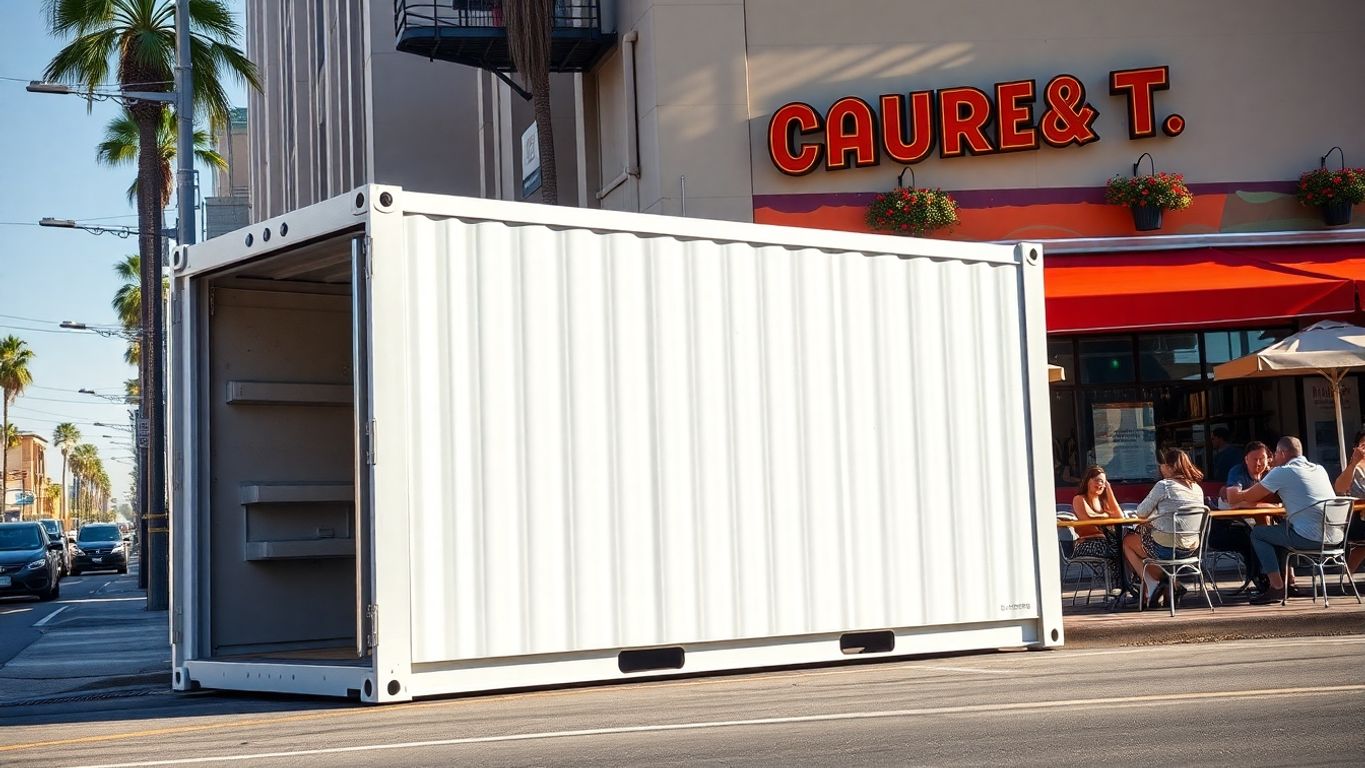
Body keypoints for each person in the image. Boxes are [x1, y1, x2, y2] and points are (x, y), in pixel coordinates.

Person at [1227, 436, 1337, 604]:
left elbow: (1249, 496)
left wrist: (1236, 496)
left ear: (1283, 453)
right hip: (1336, 537)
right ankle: (1289, 582)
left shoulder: (1282, 472)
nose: (1273, 459)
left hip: (1309, 537)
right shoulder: (1319, 469)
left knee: (1258, 534)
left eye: (1275, 454)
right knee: (1280, 531)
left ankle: (1277, 588)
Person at [1122, 448, 1207, 607]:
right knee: (1149, 541)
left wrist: (1150, 520)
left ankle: (1151, 584)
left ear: (1169, 466)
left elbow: (1141, 512)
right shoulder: (1197, 489)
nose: (1160, 468)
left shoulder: (1164, 485)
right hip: (1191, 548)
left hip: (1166, 548)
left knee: (1127, 541)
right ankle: (1172, 586)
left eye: (1162, 465)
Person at [1214, 441, 1275, 591]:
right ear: (1246, 459)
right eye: (1254, 459)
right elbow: (1233, 499)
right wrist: (1265, 504)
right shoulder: (1238, 471)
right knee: (1255, 537)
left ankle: (1278, 578)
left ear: (1269, 459)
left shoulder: (1272, 473)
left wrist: (1246, 499)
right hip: (1231, 523)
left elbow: (1282, 500)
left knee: (1269, 533)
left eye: (1262, 459)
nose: (1258, 463)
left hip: (1260, 519)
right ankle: (1262, 576)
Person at [1070, 466, 1123, 590]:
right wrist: (1105, 515)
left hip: (1105, 541)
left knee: (1125, 548)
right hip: (1086, 543)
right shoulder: (1079, 499)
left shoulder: (1103, 501)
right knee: (1118, 550)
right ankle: (1118, 587)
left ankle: (1126, 586)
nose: (1100, 484)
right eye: (1097, 480)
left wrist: (1109, 490)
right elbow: (1087, 518)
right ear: (1088, 480)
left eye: (1103, 482)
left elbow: (1119, 516)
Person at [1330, 432, 1365, 578]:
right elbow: (1339, 488)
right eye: (1363, 445)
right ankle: (1346, 575)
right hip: (1354, 520)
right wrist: (1353, 463)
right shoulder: (1353, 469)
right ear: (1355, 448)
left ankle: (1346, 576)